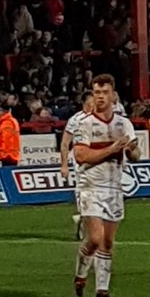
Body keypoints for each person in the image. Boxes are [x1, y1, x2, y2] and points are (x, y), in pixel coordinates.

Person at [72, 74, 139, 297]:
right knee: (94, 238)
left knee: (108, 242)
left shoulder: (124, 124)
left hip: (114, 187)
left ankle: (102, 292)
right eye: (96, 93)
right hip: (90, 186)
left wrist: (130, 151)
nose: (100, 97)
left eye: (104, 92)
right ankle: (81, 275)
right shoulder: (84, 124)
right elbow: (81, 156)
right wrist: (112, 148)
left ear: (113, 95)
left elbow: (136, 155)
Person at [60, 89, 94, 240]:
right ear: (84, 103)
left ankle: (85, 218)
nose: (92, 106)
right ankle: (83, 217)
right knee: (83, 188)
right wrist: (64, 165)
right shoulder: (75, 120)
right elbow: (65, 143)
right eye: (90, 103)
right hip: (81, 159)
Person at [0, 103, 21, 167]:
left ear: (3, 111)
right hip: (12, 153)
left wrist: (3, 153)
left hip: (8, 154)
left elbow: (6, 139)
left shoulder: (7, 122)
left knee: (7, 170)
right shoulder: (13, 120)